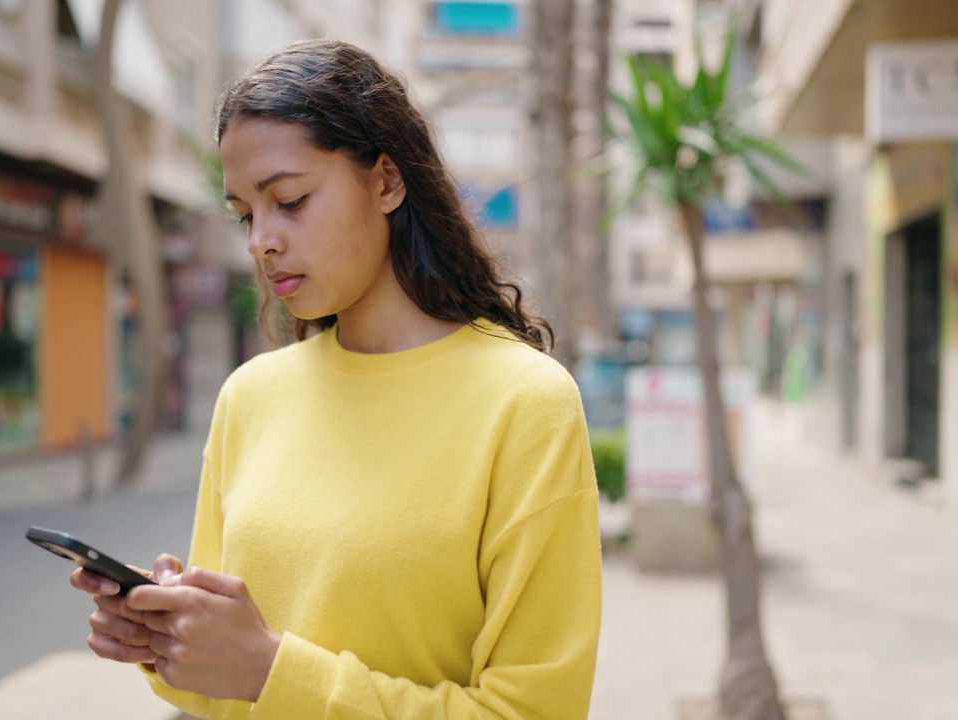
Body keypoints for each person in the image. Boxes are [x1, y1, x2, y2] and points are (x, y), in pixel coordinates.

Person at [70, 38, 603, 719]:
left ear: (386, 180)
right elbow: (219, 691)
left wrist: (273, 671)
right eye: (243, 213)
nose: (261, 238)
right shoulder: (250, 398)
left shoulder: (524, 402)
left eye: (288, 200)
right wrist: (168, 640)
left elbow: (535, 711)